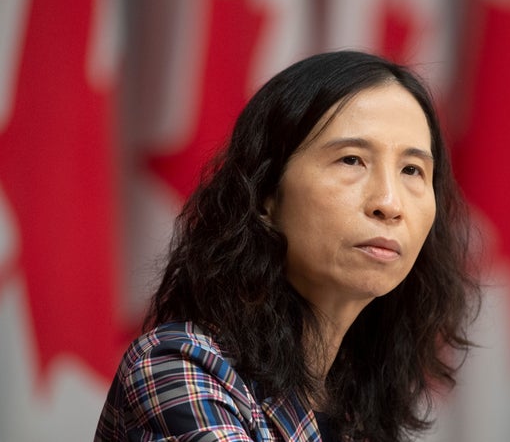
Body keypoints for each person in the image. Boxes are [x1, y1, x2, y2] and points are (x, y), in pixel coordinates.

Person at [95, 50, 481, 442]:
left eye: (412, 170)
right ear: (266, 194)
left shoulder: (354, 409)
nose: (389, 203)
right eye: (351, 160)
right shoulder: (181, 367)